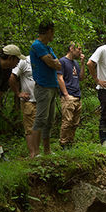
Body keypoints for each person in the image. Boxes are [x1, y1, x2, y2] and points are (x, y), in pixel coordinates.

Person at [30, 21, 61, 157]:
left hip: (52, 86)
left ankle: (47, 151)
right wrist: (53, 62)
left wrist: (53, 62)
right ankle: (35, 152)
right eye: (52, 31)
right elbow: (51, 63)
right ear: (48, 31)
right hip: (43, 86)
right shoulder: (37, 45)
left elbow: (58, 64)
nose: (53, 34)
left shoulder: (48, 48)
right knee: (41, 119)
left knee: (49, 120)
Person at [57, 42, 85, 149]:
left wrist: (82, 64)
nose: (80, 52)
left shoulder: (76, 63)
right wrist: (66, 94)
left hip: (77, 95)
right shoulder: (62, 61)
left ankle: (70, 142)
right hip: (68, 95)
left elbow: (81, 78)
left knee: (75, 122)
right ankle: (63, 143)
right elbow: (60, 78)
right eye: (79, 49)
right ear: (71, 48)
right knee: (67, 121)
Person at [9, 55, 37, 157]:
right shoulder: (25, 61)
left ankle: (39, 152)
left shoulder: (44, 60)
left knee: (41, 127)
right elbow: (12, 76)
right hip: (29, 100)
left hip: (42, 100)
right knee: (30, 128)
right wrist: (18, 93)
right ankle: (33, 154)